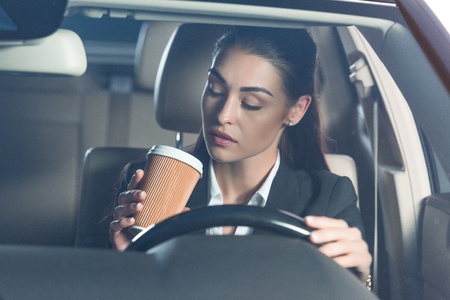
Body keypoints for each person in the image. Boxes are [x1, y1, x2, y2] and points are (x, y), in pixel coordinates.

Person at [110, 26, 372, 283]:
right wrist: (123, 261)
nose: (223, 116)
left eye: (251, 104)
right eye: (214, 89)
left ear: (296, 110)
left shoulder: (328, 198)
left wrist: (360, 279)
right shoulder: (149, 184)